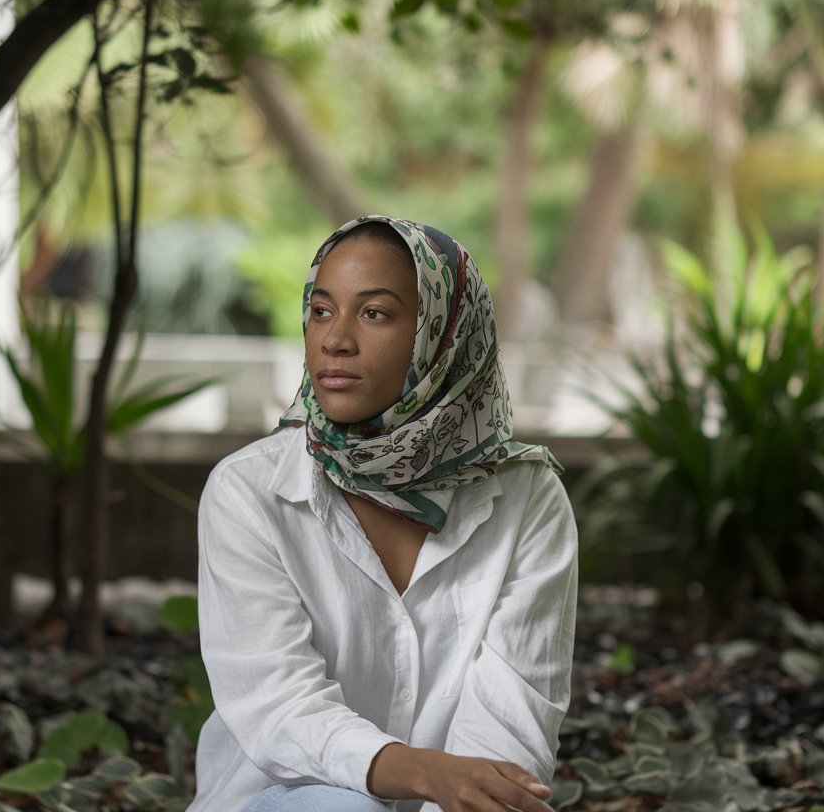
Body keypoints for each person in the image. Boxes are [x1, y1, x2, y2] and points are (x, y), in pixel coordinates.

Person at [187, 215, 578, 812]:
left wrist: (454, 788)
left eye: (374, 313)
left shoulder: (528, 497)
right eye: (321, 310)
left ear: (443, 337)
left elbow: (511, 726)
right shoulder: (249, 492)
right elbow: (280, 710)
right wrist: (425, 774)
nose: (334, 340)